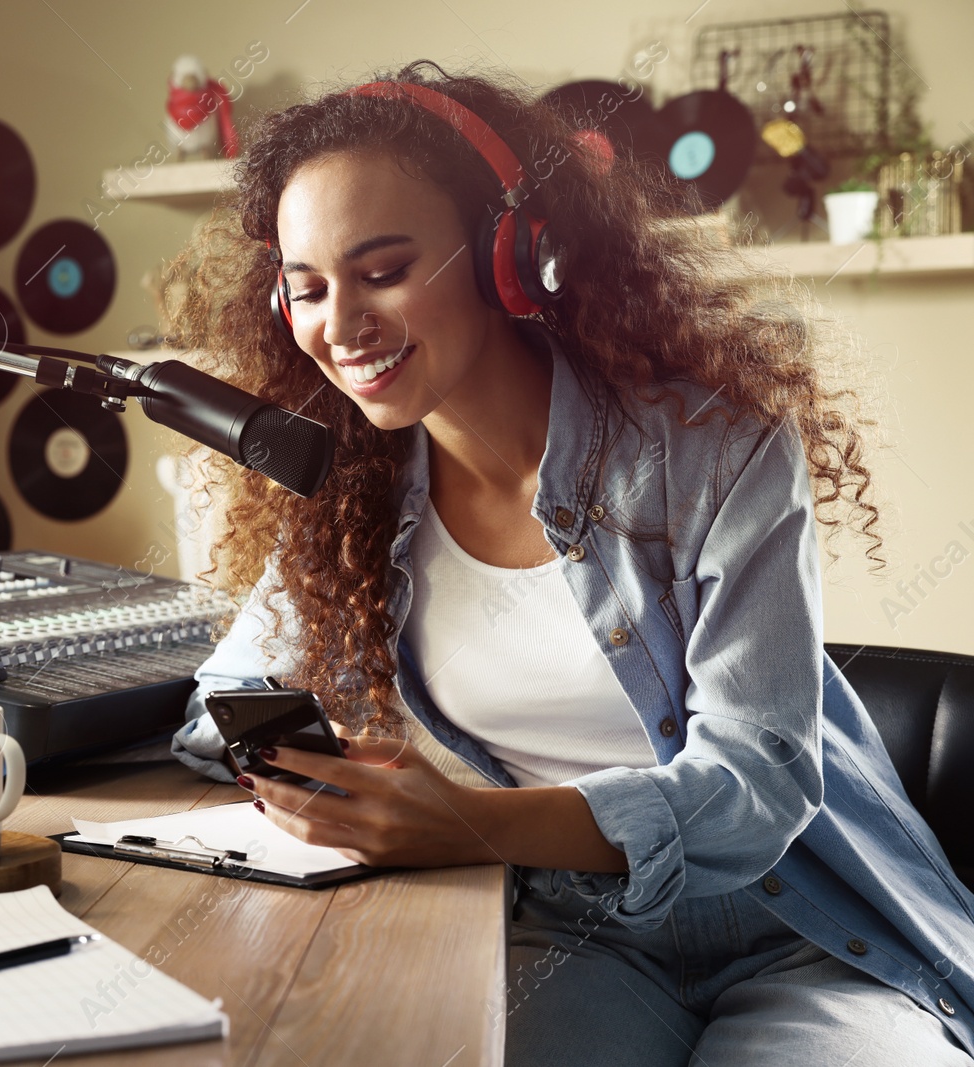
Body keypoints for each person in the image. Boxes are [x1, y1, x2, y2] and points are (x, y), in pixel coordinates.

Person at [164, 60, 974, 1066]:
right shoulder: (354, 495)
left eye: (382, 272)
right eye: (309, 289)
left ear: (512, 256)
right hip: (578, 933)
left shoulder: (714, 449)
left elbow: (757, 786)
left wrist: (468, 820)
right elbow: (226, 696)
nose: (342, 324)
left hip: (808, 928)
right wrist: (328, 763)